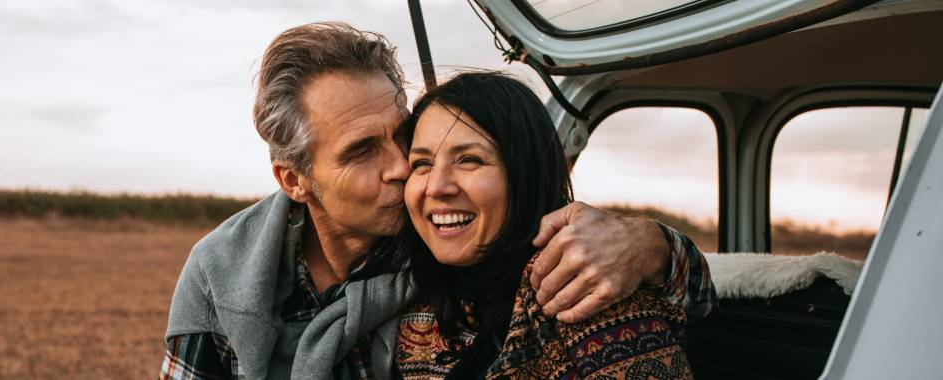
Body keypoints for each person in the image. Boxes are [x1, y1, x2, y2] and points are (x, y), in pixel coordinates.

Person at [161, 22, 713, 380]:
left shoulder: (452, 242)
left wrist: (652, 245)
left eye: (403, 138)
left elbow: (688, 299)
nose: (405, 170)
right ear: (295, 181)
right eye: (361, 151)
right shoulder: (222, 273)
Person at [393, 72, 691, 379]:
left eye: (469, 159)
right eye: (422, 164)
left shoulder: (592, 294)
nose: (436, 187)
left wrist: (654, 245)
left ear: (526, 173)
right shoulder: (404, 294)